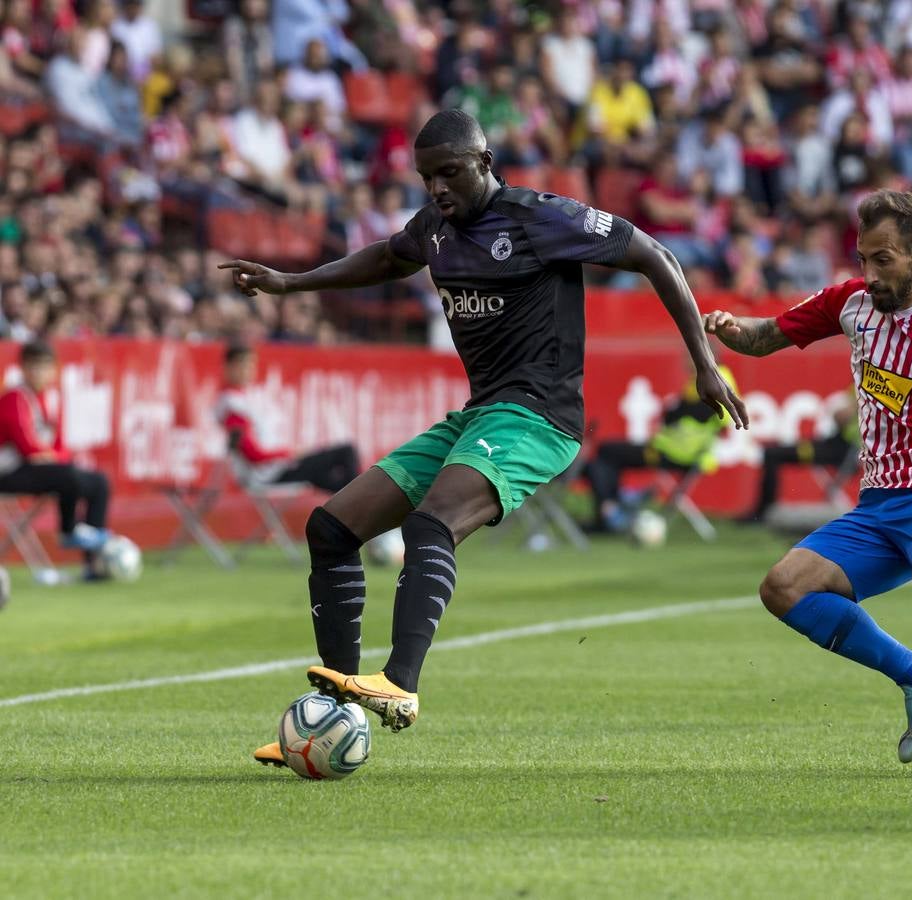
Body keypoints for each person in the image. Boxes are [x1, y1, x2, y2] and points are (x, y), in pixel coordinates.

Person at [220, 109, 746, 766]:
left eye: (450, 173)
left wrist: (703, 362)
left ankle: (400, 684)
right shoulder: (435, 230)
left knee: (433, 522)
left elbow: (655, 255)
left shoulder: (541, 218)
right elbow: (388, 256)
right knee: (331, 528)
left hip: (539, 417)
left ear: (485, 164)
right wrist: (292, 281)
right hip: (479, 414)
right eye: (426, 177)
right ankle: (335, 711)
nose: (437, 188)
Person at [703, 189, 912, 778]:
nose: (869, 273)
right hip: (877, 504)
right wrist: (731, 330)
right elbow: (768, 337)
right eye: (863, 258)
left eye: (882, 259)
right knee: (782, 588)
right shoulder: (851, 303)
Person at [580, 362, 739, 534]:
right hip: (675, 449)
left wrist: (677, 410)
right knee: (605, 456)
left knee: (606, 453)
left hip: (675, 452)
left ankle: (611, 511)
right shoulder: (704, 378)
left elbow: (711, 414)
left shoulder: (714, 377)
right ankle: (618, 502)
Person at [0, 340, 112, 578]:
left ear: (54, 370)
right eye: (34, 366)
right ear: (23, 368)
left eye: (44, 366)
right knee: (66, 474)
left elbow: (60, 446)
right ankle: (68, 530)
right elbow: (27, 448)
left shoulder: (51, 399)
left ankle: (93, 565)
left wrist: (53, 456)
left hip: (40, 469)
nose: (39, 372)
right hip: (9, 472)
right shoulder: (14, 398)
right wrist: (53, 456)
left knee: (99, 482)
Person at [216, 343, 361, 493]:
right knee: (346, 452)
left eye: (251, 365)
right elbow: (254, 455)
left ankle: (354, 507)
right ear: (228, 367)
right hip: (268, 475)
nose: (247, 370)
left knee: (328, 478)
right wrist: (289, 453)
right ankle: (360, 507)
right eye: (242, 365)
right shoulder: (233, 407)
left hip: (271, 470)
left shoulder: (241, 400)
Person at [737, 394, 859, 524]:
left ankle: (763, 512)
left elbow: (841, 416)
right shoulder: (859, 388)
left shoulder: (868, 390)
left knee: (773, 454)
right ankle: (764, 510)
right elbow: (840, 416)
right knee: (772, 453)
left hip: (844, 451)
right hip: (833, 444)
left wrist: (852, 406)